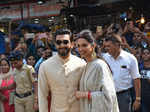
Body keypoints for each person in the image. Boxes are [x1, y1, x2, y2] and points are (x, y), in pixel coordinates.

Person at [38, 28, 86, 112]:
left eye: (65, 42)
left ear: (72, 44)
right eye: (58, 42)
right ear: (55, 45)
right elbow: (42, 95)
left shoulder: (81, 64)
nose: (62, 45)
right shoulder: (45, 66)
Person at [75, 29, 119, 112]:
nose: (80, 49)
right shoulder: (85, 65)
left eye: (84, 45)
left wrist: (85, 95)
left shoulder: (100, 65)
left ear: (93, 46)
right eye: (78, 46)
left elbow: (109, 96)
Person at [103, 34, 141, 112]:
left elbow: (136, 79)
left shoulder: (130, 58)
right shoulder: (104, 58)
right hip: (107, 95)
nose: (106, 48)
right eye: (105, 46)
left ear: (117, 45)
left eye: (108, 46)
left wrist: (138, 99)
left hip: (124, 96)